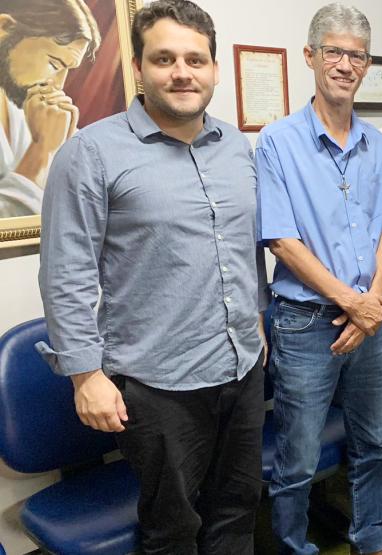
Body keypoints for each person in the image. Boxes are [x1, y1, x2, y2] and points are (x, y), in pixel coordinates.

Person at [37, 1, 268, 552]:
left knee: (238, 508)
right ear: (138, 67)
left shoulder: (237, 147)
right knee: (173, 527)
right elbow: (65, 273)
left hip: (241, 367)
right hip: (158, 384)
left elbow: (244, 245)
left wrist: (255, 311)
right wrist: (84, 375)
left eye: (196, 59)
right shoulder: (91, 153)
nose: (182, 72)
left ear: (214, 68)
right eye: (164, 58)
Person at [255, 4, 382, 555]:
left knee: (375, 442)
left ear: (367, 65)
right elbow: (281, 239)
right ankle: (294, 546)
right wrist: (351, 302)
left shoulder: (377, 143)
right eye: (334, 52)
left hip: (370, 319)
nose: (345, 64)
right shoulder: (277, 141)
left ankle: (369, 535)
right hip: (305, 324)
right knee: (297, 455)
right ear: (311, 57)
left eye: (356, 55)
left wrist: (372, 305)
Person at [0, 0, 99, 217]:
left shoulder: (24, 105)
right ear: (4, 28)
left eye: (67, 70)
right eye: (54, 64)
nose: (59, 85)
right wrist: (42, 150)